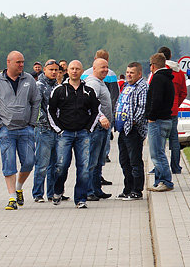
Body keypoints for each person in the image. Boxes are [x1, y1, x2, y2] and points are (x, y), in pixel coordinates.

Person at [0, 50, 40, 210]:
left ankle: (19, 186)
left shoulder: (29, 80)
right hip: (6, 130)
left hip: (26, 129)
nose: (22, 65)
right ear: (8, 62)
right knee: (9, 164)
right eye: (18, 62)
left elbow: (36, 101)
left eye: (22, 62)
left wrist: (32, 123)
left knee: (29, 162)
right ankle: (11, 198)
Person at [48, 60, 100, 209]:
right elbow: (50, 110)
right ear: (67, 71)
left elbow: (96, 110)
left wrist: (89, 129)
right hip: (65, 134)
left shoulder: (89, 91)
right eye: (72, 68)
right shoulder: (59, 90)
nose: (74, 71)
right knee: (61, 166)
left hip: (83, 134)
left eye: (77, 69)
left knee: (83, 168)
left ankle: (80, 199)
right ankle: (57, 191)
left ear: (82, 71)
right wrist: (59, 129)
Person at [115, 62, 148, 200]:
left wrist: (131, 122)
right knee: (124, 160)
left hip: (133, 130)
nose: (128, 74)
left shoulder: (142, 87)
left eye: (132, 73)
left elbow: (141, 109)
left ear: (139, 74)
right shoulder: (127, 86)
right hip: (123, 130)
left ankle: (137, 190)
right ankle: (127, 188)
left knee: (135, 161)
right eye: (127, 72)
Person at [83, 57, 113, 201]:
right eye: (102, 67)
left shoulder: (101, 83)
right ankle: (88, 191)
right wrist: (101, 117)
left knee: (99, 160)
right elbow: (91, 104)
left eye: (107, 67)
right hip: (96, 127)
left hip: (103, 128)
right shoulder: (92, 84)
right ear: (94, 68)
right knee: (92, 161)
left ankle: (96, 189)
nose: (106, 70)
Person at [146, 52, 176, 192]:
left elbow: (156, 100)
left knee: (157, 154)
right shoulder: (168, 78)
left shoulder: (157, 79)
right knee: (160, 151)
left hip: (157, 120)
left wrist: (151, 115)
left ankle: (166, 181)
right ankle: (158, 181)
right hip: (167, 119)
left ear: (152, 66)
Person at [31, 60, 59, 203]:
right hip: (43, 129)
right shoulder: (38, 86)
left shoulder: (58, 86)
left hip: (57, 131)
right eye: (51, 69)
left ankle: (52, 192)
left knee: (55, 164)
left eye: (56, 70)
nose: (54, 72)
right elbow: (36, 107)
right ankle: (37, 193)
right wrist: (45, 122)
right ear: (44, 70)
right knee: (42, 164)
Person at [158, 47, 186, 174]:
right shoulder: (179, 72)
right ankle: (176, 166)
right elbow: (183, 92)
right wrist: (176, 104)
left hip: (161, 110)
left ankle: (159, 167)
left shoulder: (159, 72)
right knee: (174, 138)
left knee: (160, 140)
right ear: (170, 55)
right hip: (174, 110)